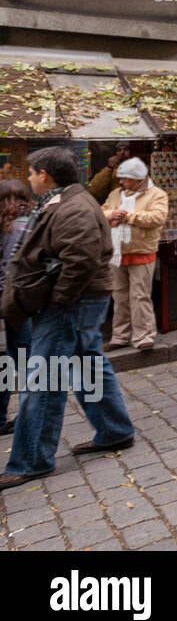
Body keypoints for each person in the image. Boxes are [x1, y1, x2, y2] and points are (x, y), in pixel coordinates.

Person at [0, 147, 135, 490]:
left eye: (31, 173)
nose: (29, 179)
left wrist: (59, 300)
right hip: (77, 301)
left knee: (45, 379)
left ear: (44, 174)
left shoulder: (74, 206)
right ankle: (114, 430)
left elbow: (81, 261)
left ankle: (31, 460)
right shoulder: (68, 200)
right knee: (87, 363)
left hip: (72, 303)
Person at [100, 157, 168, 351]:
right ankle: (120, 336)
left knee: (140, 296)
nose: (121, 182)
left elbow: (157, 217)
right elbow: (102, 212)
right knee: (119, 296)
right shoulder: (115, 194)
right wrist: (112, 214)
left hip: (141, 250)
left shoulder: (157, 195)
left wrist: (128, 216)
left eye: (125, 179)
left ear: (138, 179)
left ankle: (144, 336)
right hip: (117, 252)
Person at [0, 180, 31, 436]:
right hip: (14, 301)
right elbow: (11, 269)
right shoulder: (20, 225)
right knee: (24, 359)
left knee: (5, 360)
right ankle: (30, 414)